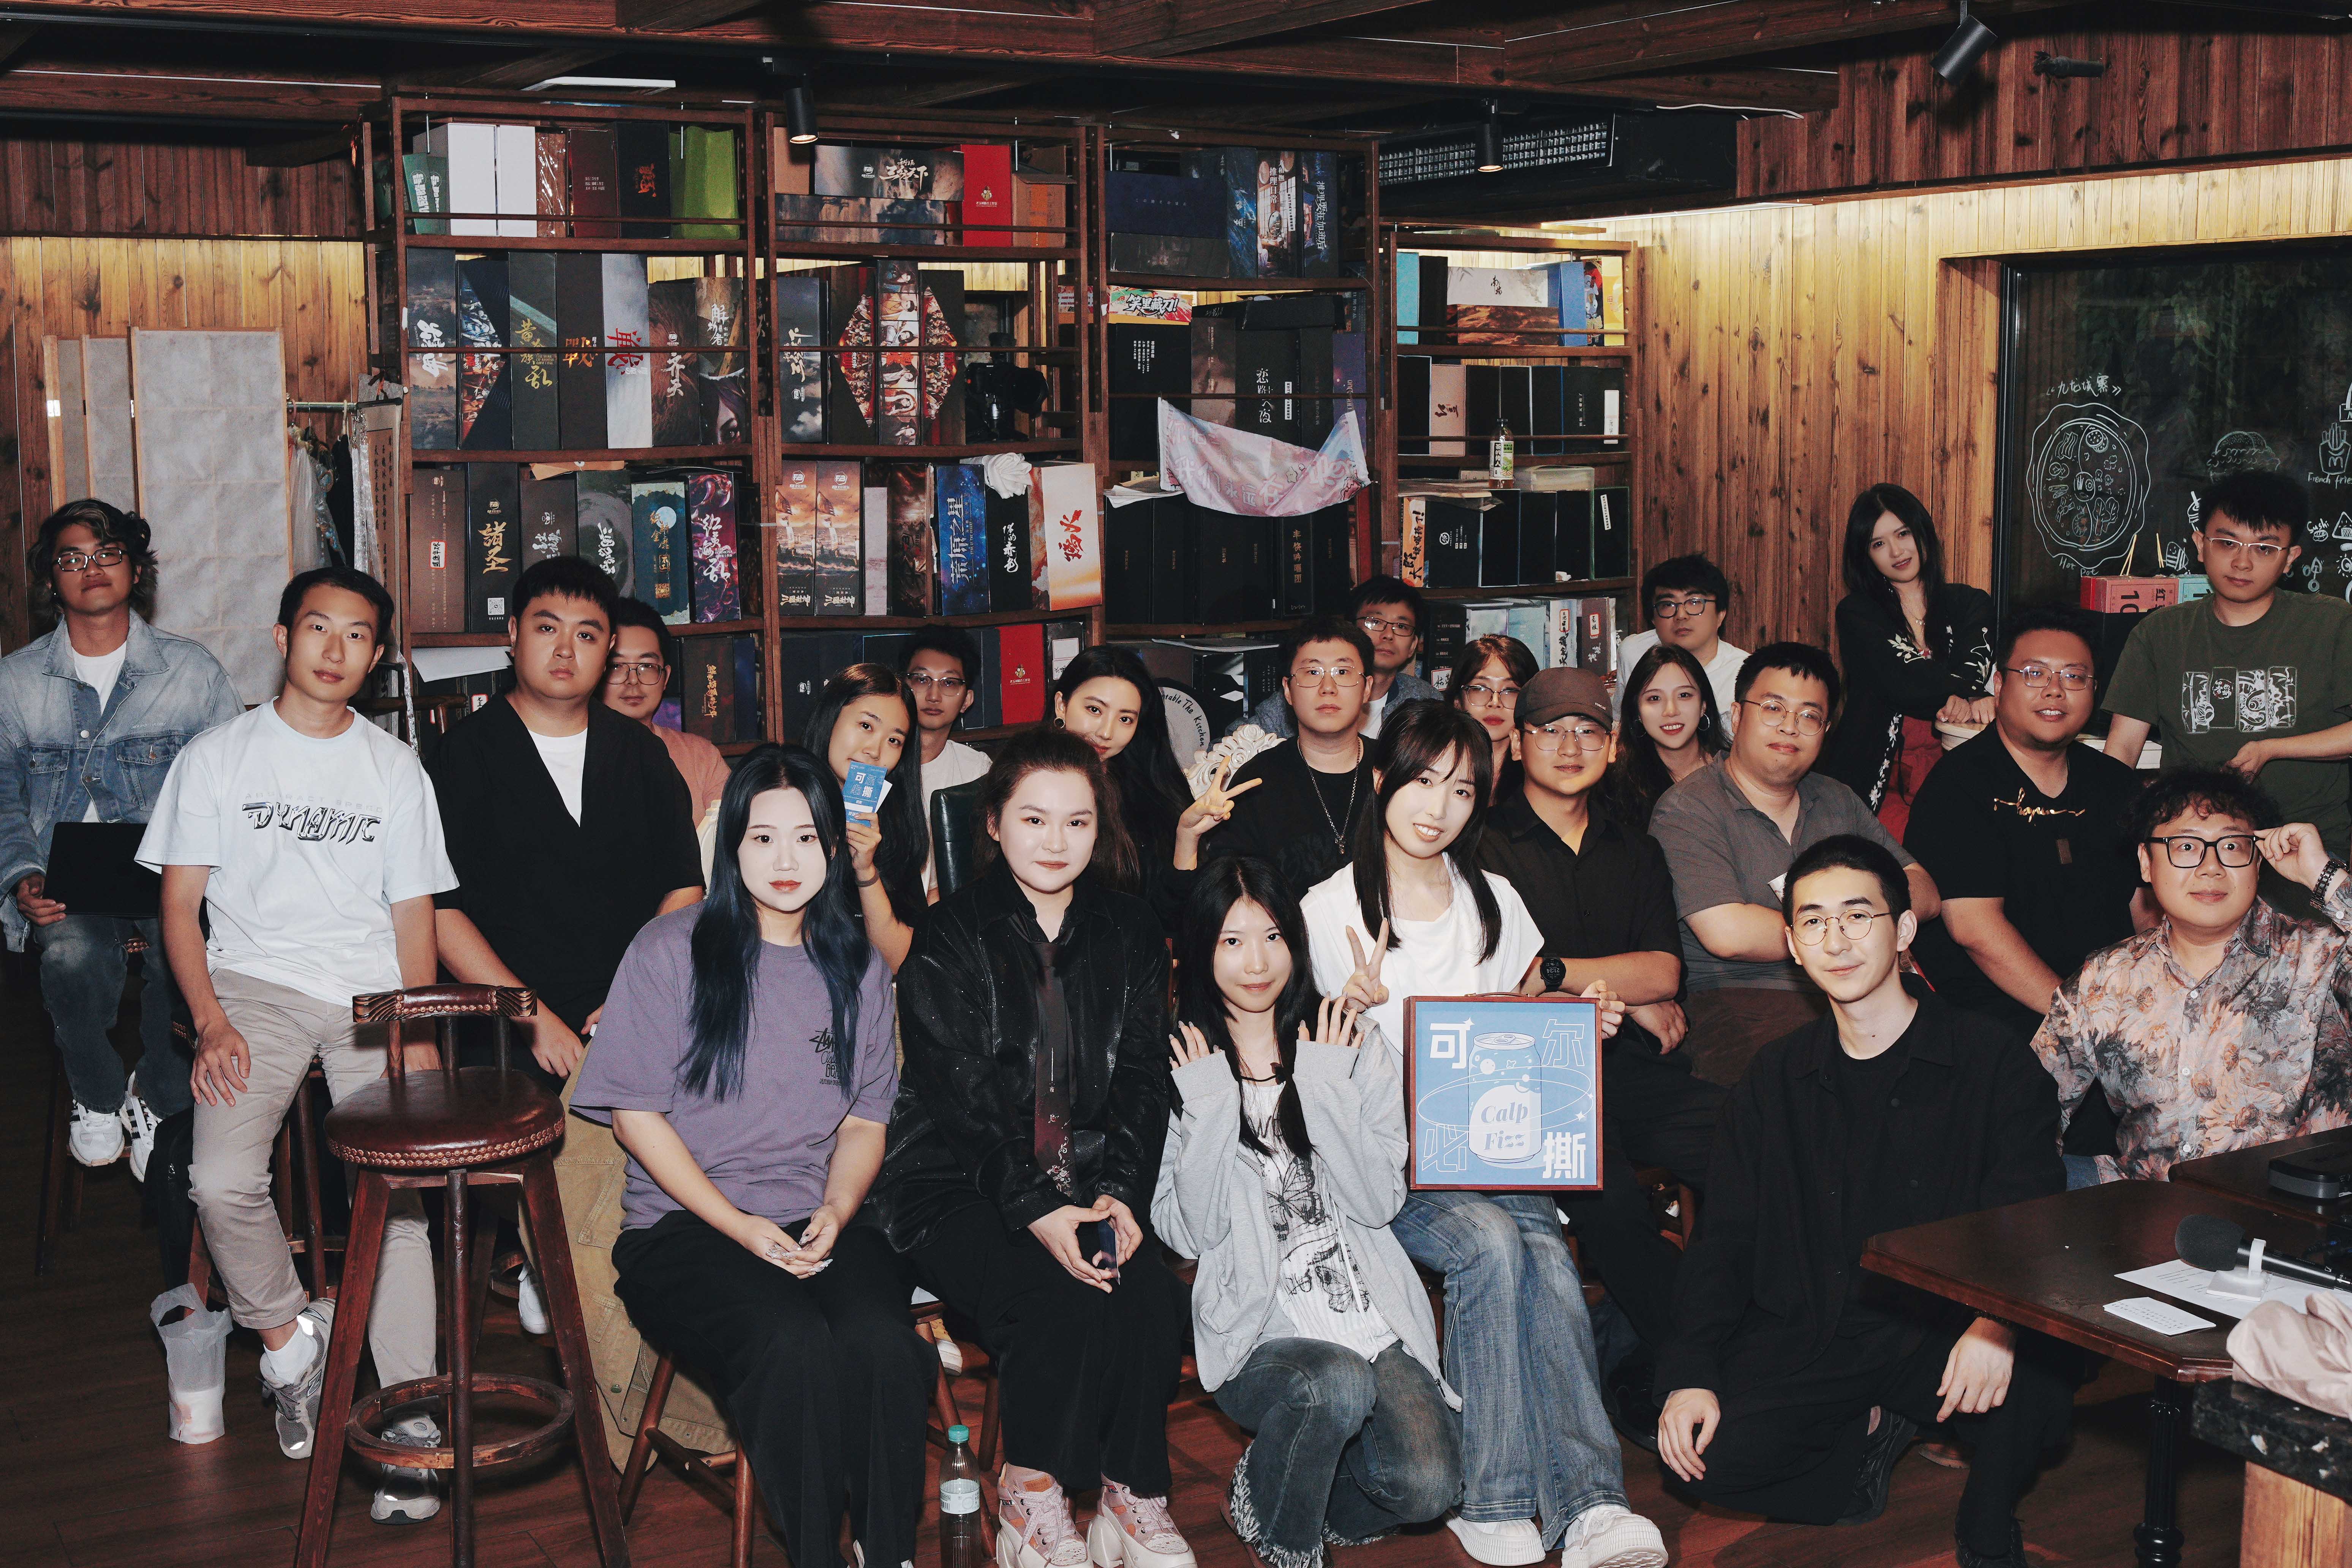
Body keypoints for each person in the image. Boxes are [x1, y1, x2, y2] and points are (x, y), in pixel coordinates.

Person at [1300, 702, 1668, 1568]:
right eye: (1422, 779)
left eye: (1462, 789)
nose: (1438, 806)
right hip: (1385, 1166)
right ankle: (1501, 1495)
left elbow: (1522, 1024)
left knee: (1535, 1244)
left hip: (1488, 1144)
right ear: (1382, 778)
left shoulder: (1492, 900)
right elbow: (1311, 1081)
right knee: (1498, 1239)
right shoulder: (1327, 908)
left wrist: (1579, 1020)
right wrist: (1344, 1015)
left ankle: (1587, 1505)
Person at [1655, 836, 2074, 1568]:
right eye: (1813, 921)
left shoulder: (1991, 1057)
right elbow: (1724, 1237)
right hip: (1823, 1327)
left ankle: (1985, 1522)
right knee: (1705, 1460)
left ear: (1903, 929)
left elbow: (2031, 1212)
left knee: (2036, 1393)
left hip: (1949, 1324)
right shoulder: (1775, 1076)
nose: (1836, 940)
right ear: (1792, 944)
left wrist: (1994, 1323)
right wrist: (1690, 1371)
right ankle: (1872, 1432)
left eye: (1857, 916)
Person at [137, 566, 453, 1522]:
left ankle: (409, 1419)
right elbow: (179, 907)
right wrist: (211, 1019)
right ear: (283, 637)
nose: (334, 649)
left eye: (357, 636)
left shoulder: (395, 769)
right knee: (218, 1178)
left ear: (376, 656)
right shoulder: (218, 756)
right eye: (319, 627)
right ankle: (289, 1345)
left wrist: (413, 1026)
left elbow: (414, 914)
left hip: (372, 997)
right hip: (252, 990)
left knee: (397, 1195)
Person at [577, 744, 929, 1568]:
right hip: (684, 1228)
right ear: (731, 845)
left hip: (818, 1214)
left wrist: (837, 1209)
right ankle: (816, 1554)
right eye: (763, 838)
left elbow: (864, 1123)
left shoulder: (858, 966)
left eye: (806, 838)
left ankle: (887, 1553)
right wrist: (740, 1227)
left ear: (834, 847)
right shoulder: (670, 949)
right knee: (791, 1343)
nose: (785, 859)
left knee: (884, 1343)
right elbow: (634, 1117)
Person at [870, 728, 1193, 1568]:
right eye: (1034, 819)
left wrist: (1121, 1192)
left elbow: (1143, 1081)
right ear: (994, 823)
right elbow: (962, 1099)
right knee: (1054, 1294)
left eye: (1077, 822)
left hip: (1089, 1175)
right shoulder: (950, 934)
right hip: (955, 1181)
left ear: (1100, 827)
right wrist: (1039, 1210)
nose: (1056, 841)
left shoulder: (1129, 928)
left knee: (1148, 1297)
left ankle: (1130, 1494)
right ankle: (1031, 1492)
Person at [1155, 857, 1461, 1568]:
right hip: (1260, 1331)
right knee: (1335, 1383)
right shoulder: (1182, 1062)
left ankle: (1274, 1488)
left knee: (1430, 1488)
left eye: (1272, 937)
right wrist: (1209, 1106)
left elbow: (1378, 1202)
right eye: (1232, 941)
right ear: (1201, 950)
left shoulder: (1349, 1043)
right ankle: (1290, 1545)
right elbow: (1189, 1233)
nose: (1256, 962)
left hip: (1372, 1320)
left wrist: (1322, 1084)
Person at [1473, 666, 1725, 1439]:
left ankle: (1653, 1351)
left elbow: (1665, 972)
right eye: (1550, 730)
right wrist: (1608, 987)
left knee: (1758, 1142)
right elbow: (1501, 979)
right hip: (1536, 1076)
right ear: (1520, 744)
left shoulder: (1635, 848)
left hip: (1638, 1070)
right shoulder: (1480, 843)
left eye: (1588, 730)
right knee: (1610, 1202)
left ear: (1613, 746)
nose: (1570, 745)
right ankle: (1700, 1364)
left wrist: (1557, 971)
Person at [1, 498, 240, 1175]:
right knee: (70, 952)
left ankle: (158, 1097)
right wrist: (21, 874)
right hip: (63, 875)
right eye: (72, 558)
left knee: (181, 952)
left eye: (108, 552)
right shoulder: (15, 681)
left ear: (135, 568)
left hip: (171, 873)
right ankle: (99, 1093)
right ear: (51, 580)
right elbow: (3, 793)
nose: (92, 568)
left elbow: (233, 784)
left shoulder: (191, 671)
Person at [430, 557, 705, 1093]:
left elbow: (685, 888)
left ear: (607, 649)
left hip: (633, 1011)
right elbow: (439, 912)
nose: (565, 650)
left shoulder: (642, 754)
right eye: (547, 628)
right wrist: (530, 1016)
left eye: (586, 635)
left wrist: (634, 995)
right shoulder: (461, 755)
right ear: (514, 634)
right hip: (500, 1028)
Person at [2033, 766, 2352, 1185]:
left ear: (2258, 861)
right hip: (2145, 1200)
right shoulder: (2106, 978)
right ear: (2146, 863)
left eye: (2231, 846)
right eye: (2186, 846)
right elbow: (2028, 1106)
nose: (2210, 868)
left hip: (2285, 1205)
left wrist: (2323, 874)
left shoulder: (2322, 957)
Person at [1652, 643, 1940, 1087]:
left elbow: (1923, 891)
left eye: (1809, 716)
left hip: (1865, 995)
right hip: (1744, 999)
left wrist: (1833, 932)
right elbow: (1728, 933)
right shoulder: (1689, 809)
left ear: (1825, 731)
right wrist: (1861, 925)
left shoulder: (1837, 800)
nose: (1790, 726)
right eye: (1773, 708)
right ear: (1737, 715)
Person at [2103, 470, 2352, 918]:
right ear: (2200, 545)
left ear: (2291, 558)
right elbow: (2121, 752)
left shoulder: (2333, 624)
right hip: (2195, 853)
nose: (2242, 563)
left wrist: (2271, 748)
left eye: (2265, 548)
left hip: (2303, 851)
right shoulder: (2160, 633)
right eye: (2227, 542)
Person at [1904, 607, 2145, 1042]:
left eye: (2074, 677)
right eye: (2035, 674)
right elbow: (1975, 929)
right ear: (1999, 687)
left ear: (2094, 692)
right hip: (1997, 1025)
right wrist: (2079, 1017)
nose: (2055, 691)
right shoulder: (1958, 786)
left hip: (2113, 1011)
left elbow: (2144, 910)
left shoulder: (2115, 784)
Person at [1818, 485, 1995, 836]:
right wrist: (1970, 694)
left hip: (1954, 773)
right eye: (1878, 544)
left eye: (1903, 534)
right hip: (1877, 783)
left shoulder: (1970, 603)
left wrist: (1971, 692)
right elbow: (1903, 680)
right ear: (1866, 555)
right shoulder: (1858, 613)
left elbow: (1974, 665)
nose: (1896, 551)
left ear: (1921, 531)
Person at [1184, 617, 1380, 904]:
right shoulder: (1256, 782)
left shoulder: (1397, 767)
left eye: (1343, 672)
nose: (1328, 687)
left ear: (1367, 688)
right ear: (1288, 690)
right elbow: (1232, 895)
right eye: (1312, 672)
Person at [1054, 644, 1209, 906]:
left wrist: (1186, 836)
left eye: (1125, 719)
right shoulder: (1025, 782)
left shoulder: (1148, 790)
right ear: (1062, 705)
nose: (1106, 732)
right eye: (1095, 710)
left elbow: (1172, 912)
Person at [803, 664, 927, 971]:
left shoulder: (895, 824)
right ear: (831, 718)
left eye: (894, 740)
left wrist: (865, 870)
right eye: (866, 726)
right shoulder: (783, 800)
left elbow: (899, 962)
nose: (875, 751)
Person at [1244, 578, 1442, 741]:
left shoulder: (1425, 700)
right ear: (1349, 630)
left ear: (1413, 645)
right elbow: (1235, 746)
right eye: (1375, 622)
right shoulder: (1302, 693)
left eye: (1402, 626)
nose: (1388, 635)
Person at [602, 597, 732, 835]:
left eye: (647, 666)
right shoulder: (571, 753)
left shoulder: (701, 757)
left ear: (665, 678)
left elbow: (730, 840)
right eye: (616, 666)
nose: (633, 681)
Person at [903, 628, 992, 895]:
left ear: (967, 701)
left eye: (949, 683)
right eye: (921, 680)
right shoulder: (873, 761)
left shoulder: (978, 770)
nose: (934, 696)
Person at [1613, 556, 1747, 722]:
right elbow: (1621, 723)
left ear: (1720, 614)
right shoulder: (1633, 653)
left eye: (1695, 602)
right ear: (1653, 619)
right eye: (1668, 605)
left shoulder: (1744, 673)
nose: (1681, 615)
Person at [1609, 643, 1727, 831]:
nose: (1671, 711)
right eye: (1655, 698)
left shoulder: (1734, 771)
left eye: (1684, 695)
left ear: (1703, 705)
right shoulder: (1616, 786)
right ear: (1637, 711)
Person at [1449, 634, 1536, 805]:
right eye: (1480, 689)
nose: (1495, 702)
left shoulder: (1540, 777)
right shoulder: (1435, 765)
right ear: (1457, 701)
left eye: (1511, 691)